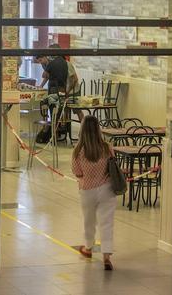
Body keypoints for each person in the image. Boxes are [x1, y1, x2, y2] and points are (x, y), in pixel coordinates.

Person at [71, 115, 116, 271]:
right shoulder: (106, 147)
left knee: (89, 221)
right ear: (98, 129)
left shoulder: (78, 151)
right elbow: (112, 166)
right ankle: (106, 256)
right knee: (107, 223)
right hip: (107, 189)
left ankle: (88, 248)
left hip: (87, 190)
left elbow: (77, 172)